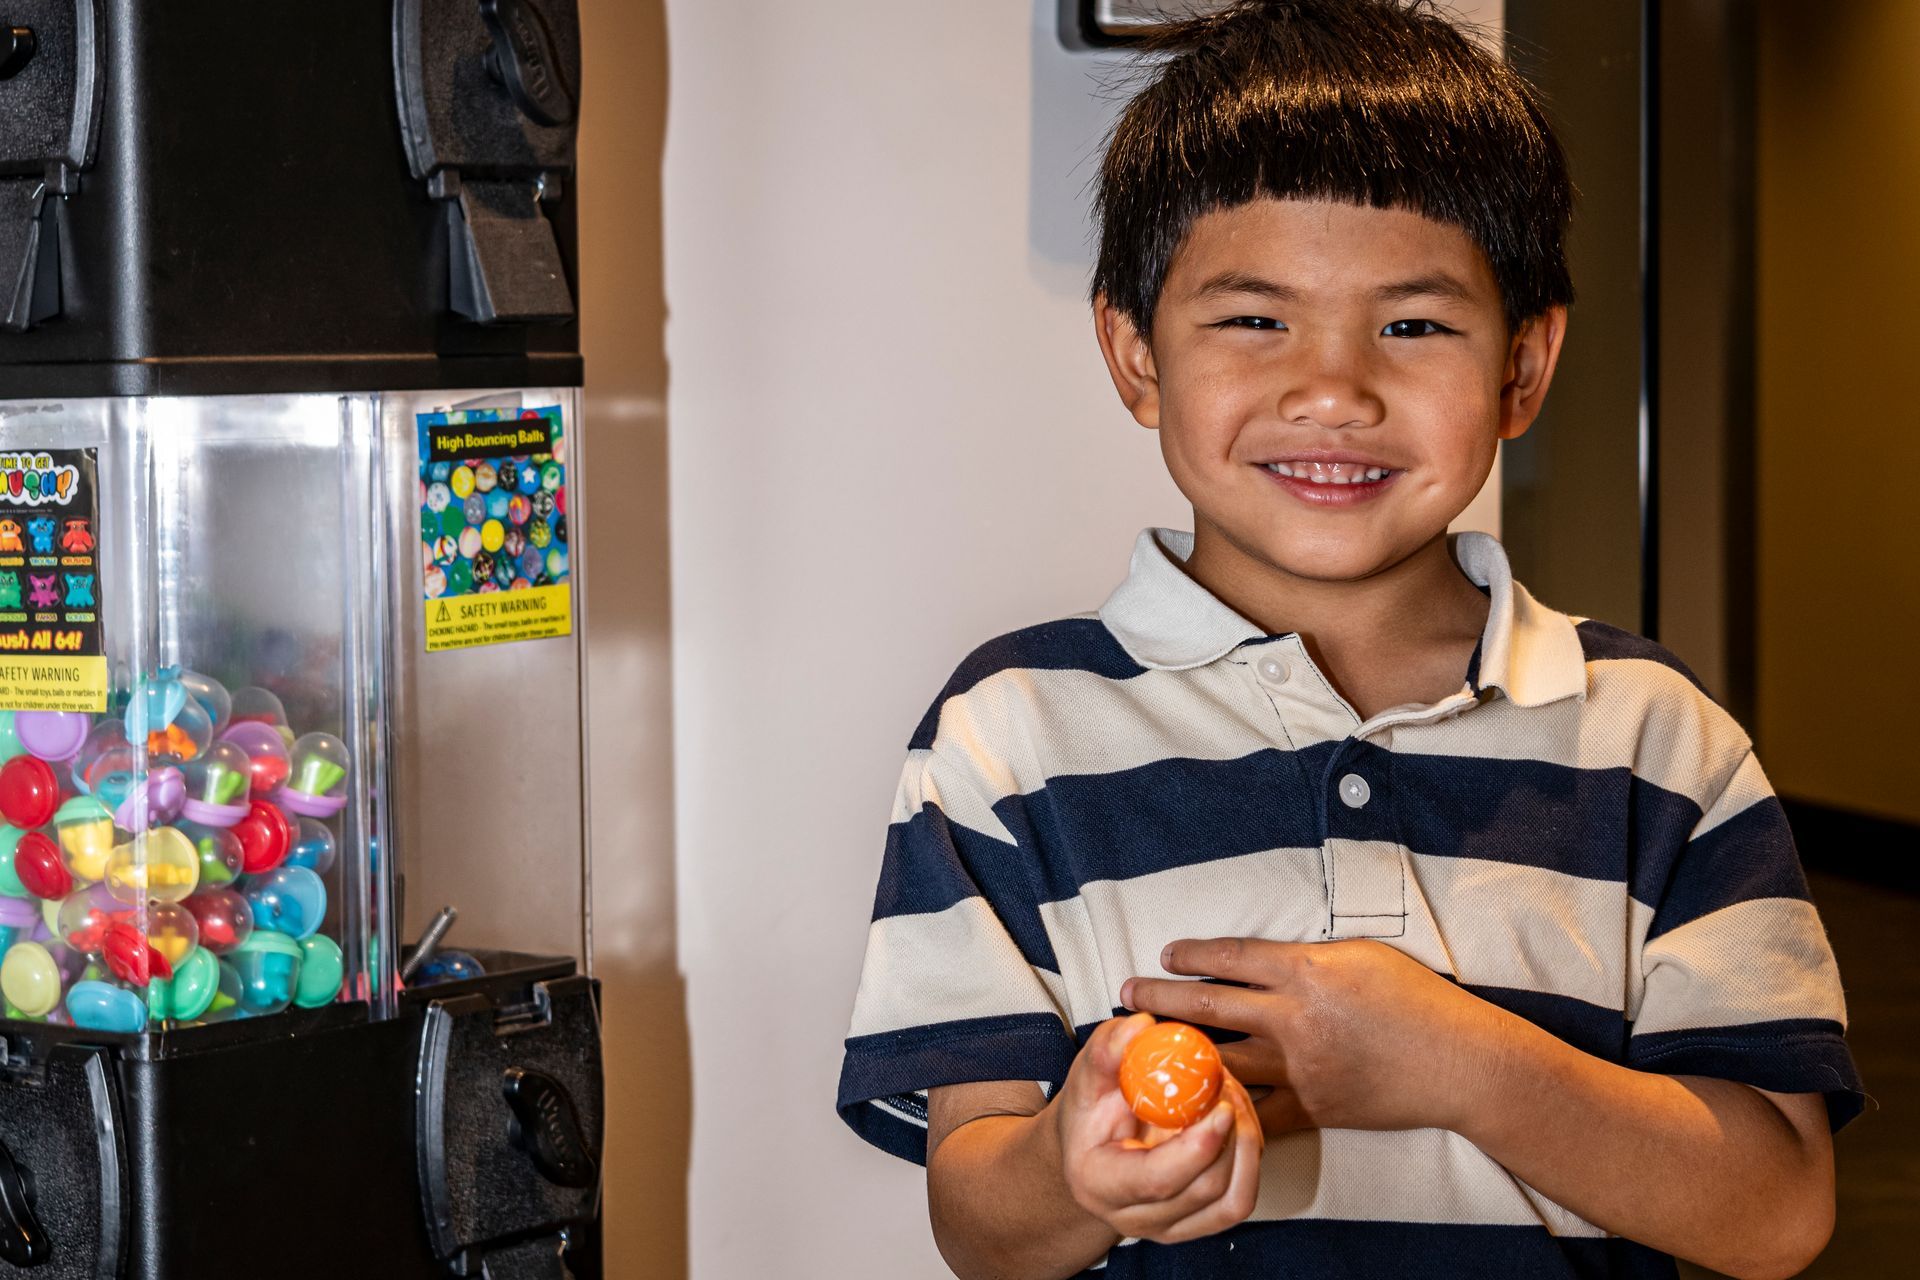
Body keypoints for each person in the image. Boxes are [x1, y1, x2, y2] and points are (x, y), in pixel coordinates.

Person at [835, 3, 1861, 1277]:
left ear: (1524, 367)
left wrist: (1457, 1060)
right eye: (1254, 319)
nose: (1334, 389)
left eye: (1415, 324)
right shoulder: (1011, 733)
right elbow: (981, 1220)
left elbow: (1776, 1210)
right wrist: (1070, 1169)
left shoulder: (1658, 736)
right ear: (1133, 349)